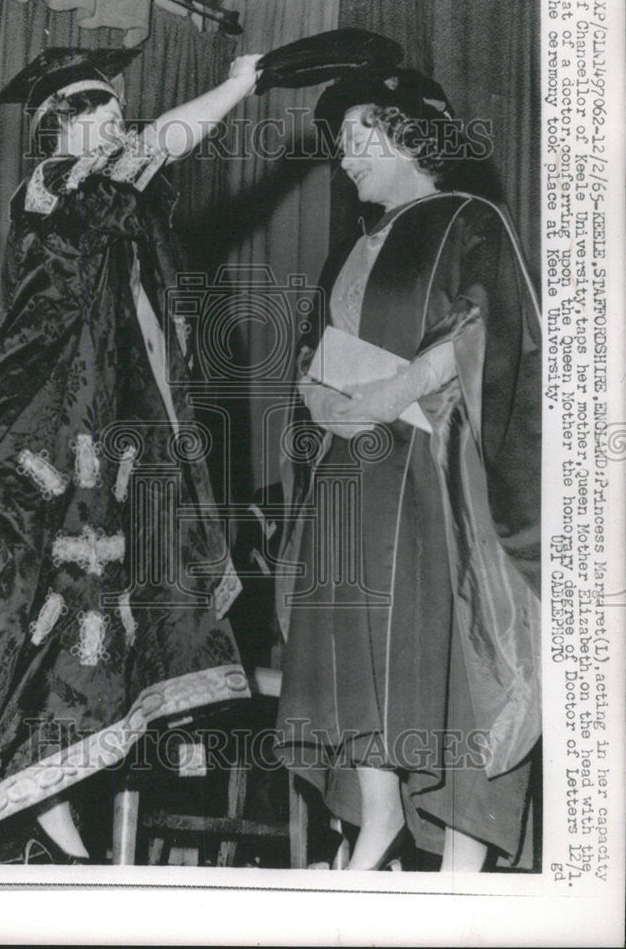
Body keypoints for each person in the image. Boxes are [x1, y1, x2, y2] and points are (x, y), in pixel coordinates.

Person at [0, 47, 262, 864]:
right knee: (13, 616)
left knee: (70, 630)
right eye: (97, 108)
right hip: (31, 433)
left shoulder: (114, 204)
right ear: (58, 123)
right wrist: (239, 83)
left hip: (89, 438)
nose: (116, 121)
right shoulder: (58, 184)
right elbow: (164, 141)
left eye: (114, 108)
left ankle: (42, 810)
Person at [274, 64, 542, 871]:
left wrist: (396, 386)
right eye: (341, 142)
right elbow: (317, 351)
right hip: (351, 468)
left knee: (441, 648)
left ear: (411, 138)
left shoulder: (468, 217)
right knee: (347, 640)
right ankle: (377, 816)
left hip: (432, 472)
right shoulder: (354, 246)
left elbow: (486, 329)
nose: (346, 155)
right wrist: (315, 395)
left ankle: (461, 857)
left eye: (364, 137)